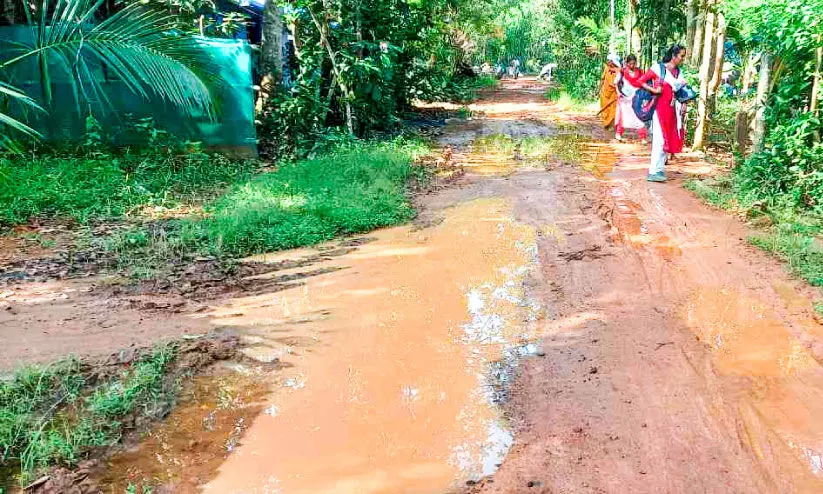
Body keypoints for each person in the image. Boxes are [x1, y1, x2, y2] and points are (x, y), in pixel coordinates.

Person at [638, 44, 688, 182]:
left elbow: (681, 92)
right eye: (681, 56)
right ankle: (653, 170)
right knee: (659, 140)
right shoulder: (658, 68)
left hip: (672, 110)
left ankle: (659, 170)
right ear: (674, 56)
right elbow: (641, 81)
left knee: (667, 138)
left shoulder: (679, 72)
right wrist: (654, 90)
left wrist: (684, 103)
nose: (683, 59)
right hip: (659, 109)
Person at [613, 54, 648, 143]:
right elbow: (616, 83)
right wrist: (618, 93)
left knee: (639, 117)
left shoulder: (640, 72)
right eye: (630, 64)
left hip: (637, 98)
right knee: (623, 117)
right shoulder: (622, 72)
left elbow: (644, 83)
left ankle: (643, 137)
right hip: (625, 98)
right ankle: (618, 134)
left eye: (634, 64)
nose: (632, 66)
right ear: (626, 63)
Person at [598, 54, 621, 130]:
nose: (607, 62)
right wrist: (598, 89)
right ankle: (606, 124)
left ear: (612, 61)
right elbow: (602, 79)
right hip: (605, 93)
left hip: (614, 93)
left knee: (613, 110)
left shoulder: (619, 70)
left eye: (609, 60)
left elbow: (621, 82)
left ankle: (611, 125)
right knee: (605, 109)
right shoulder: (606, 69)